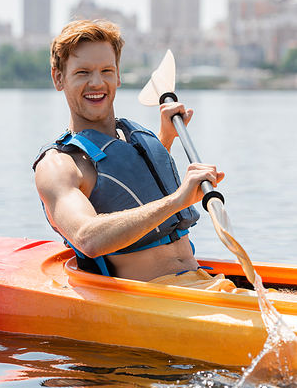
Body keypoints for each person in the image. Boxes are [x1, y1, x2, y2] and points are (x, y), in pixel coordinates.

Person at [33, 18, 237, 292]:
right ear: (59, 78)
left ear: (117, 75)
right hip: (151, 298)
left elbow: (132, 185)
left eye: (106, 70)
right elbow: (87, 237)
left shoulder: (133, 137)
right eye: (82, 73)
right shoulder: (58, 166)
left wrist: (165, 139)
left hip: (201, 281)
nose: (97, 82)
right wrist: (178, 199)